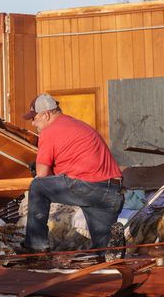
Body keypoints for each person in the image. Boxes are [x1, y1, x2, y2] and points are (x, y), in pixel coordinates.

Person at [23, 93, 124, 252]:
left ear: (46, 114)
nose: (33, 123)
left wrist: (42, 172)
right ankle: (113, 249)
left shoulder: (50, 131)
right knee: (105, 253)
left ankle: (36, 246)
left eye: (34, 118)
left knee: (37, 186)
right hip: (111, 191)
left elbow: (42, 175)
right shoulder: (78, 125)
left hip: (87, 186)